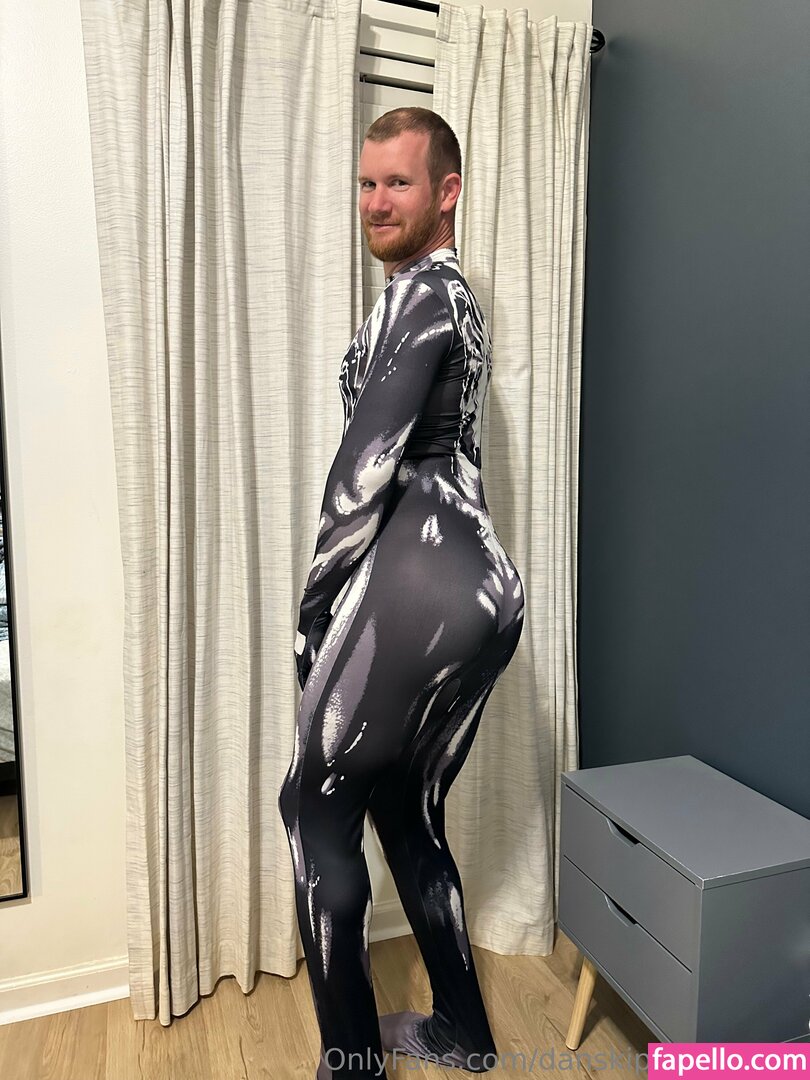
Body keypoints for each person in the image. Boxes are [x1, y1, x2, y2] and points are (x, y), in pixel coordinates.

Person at [278, 107, 525, 1080]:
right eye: (367, 183)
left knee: (313, 807)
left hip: (423, 579)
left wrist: (313, 617)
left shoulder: (423, 294)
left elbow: (363, 472)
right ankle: (463, 1033)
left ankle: (351, 1066)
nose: (377, 202)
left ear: (447, 192)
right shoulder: (452, 297)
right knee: (403, 808)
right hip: (480, 589)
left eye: (399, 183)